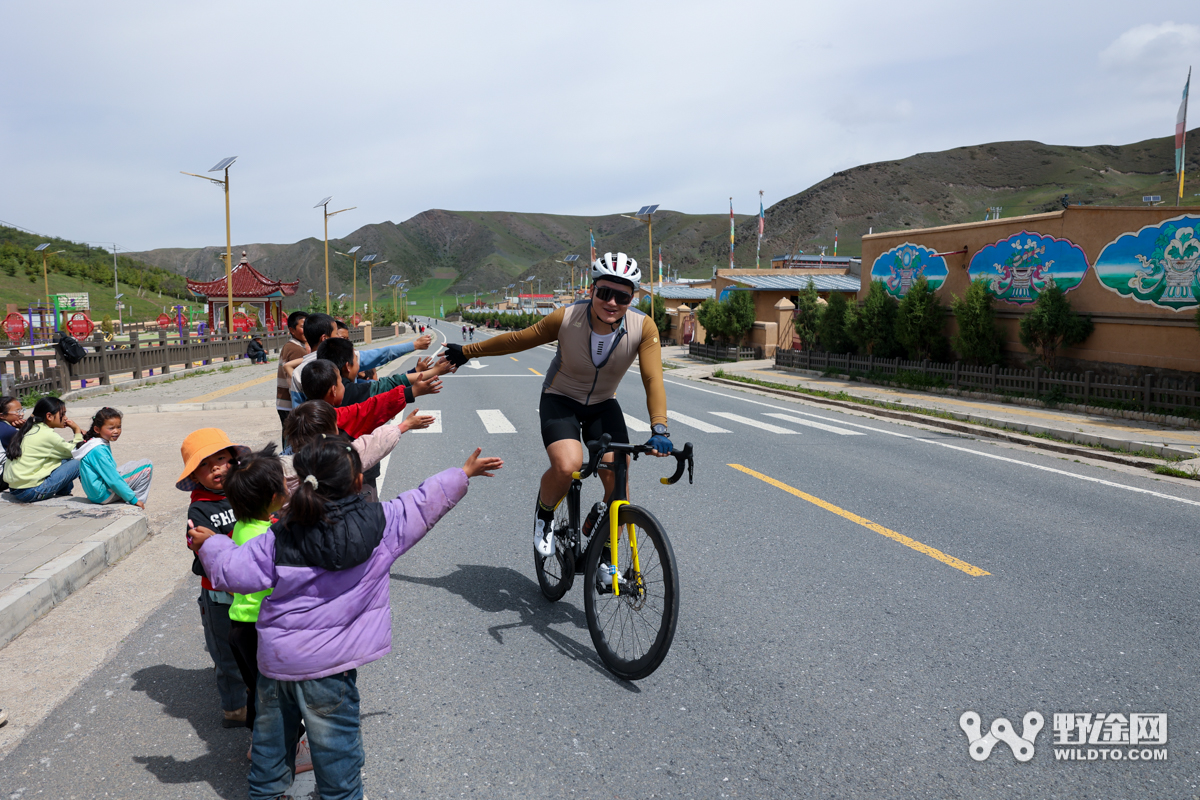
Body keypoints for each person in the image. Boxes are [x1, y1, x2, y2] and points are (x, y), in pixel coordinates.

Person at [189, 436, 503, 800]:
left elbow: (232, 570)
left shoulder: (278, 537)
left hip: (277, 668)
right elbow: (421, 503)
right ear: (357, 482)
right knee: (339, 762)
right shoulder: (382, 525)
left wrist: (212, 544)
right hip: (331, 674)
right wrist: (461, 474)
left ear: (299, 482)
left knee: (270, 756)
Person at [440, 252, 672, 557]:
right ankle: (545, 515)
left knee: (619, 480)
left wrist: (659, 427)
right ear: (592, 290)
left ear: (633, 298)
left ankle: (605, 557)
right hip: (560, 399)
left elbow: (653, 378)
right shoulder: (567, 318)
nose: (612, 302)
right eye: (604, 293)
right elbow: (517, 340)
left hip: (603, 405)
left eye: (622, 296)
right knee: (567, 464)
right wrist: (468, 351)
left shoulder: (644, 327)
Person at [221, 442, 313, 773]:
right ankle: (286, 754)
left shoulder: (244, 527)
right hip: (264, 628)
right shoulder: (270, 537)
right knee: (279, 696)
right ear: (274, 497)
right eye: (283, 484)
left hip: (240, 626)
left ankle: (257, 744)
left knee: (258, 690)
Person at [178, 428, 251, 728]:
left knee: (253, 646)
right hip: (219, 596)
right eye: (205, 466)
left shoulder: (247, 492)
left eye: (221, 459)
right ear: (195, 476)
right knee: (226, 653)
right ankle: (235, 708)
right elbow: (206, 552)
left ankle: (253, 689)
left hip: (252, 590)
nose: (216, 468)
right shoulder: (200, 508)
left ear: (234, 460)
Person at [3, 397, 83, 503]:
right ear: (49, 416)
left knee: (64, 461)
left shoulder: (33, 428)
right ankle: (97, 494)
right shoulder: (47, 434)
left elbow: (64, 450)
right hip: (30, 492)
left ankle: (63, 495)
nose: (66, 418)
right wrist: (76, 430)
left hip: (16, 489)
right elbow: (77, 452)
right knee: (79, 461)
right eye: (62, 414)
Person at [73, 407, 154, 507]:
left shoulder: (93, 442)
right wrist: (133, 499)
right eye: (111, 428)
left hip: (95, 494)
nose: (116, 431)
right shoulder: (98, 450)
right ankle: (137, 502)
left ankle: (129, 497)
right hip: (104, 495)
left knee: (131, 464)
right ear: (97, 429)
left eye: (119, 427)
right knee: (147, 465)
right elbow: (113, 479)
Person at [276, 311, 309, 438]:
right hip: (291, 405)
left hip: (285, 404)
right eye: (302, 327)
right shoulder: (296, 349)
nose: (306, 330)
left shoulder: (292, 345)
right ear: (292, 330)